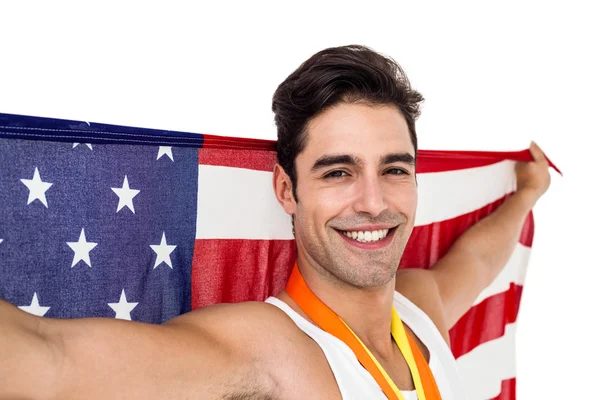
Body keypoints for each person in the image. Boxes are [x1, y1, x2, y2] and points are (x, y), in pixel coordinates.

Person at [0, 45, 551, 399]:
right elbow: (49, 357)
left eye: (394, 169)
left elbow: (480, 257)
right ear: (287, 189)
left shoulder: (421, 308)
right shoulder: (266, 349)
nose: (373, 201)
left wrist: (527, 194)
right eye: (338, 172)